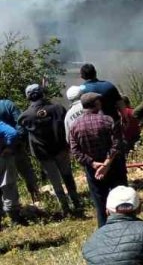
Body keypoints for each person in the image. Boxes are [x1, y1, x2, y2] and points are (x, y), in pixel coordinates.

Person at [19, 83, 83, 217]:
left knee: (55, 181)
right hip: (60, 149)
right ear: (42, 93)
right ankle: (77, 203)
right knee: (68, 176)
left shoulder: (25, 117)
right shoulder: (58, 108)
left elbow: (22, 135)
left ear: (28, 97)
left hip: (43, 154)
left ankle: (65, 208)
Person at [68, 92, 128, 226]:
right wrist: (107, 163)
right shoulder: (108, 120)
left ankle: (104, 229)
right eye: (99, 102)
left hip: (93, 170)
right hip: (114, 166)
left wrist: (92, 163)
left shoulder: (75, 126)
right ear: (95, 104)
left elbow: (75, 151)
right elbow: (117, 144)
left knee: (100, 202)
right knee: (121, 198)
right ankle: (125, 225)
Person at [0, 94, 41, 203]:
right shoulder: (7, 104)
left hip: (2, 151)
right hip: (15, 146)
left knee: (5, 178)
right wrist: (19, 141)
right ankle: (36, 198)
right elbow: (20, 123)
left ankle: (10, 206)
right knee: (26, 171)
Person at [0, 117, 25, 228]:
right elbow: (12, 133)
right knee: (8, 186)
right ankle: (15, 218)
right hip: (2, 157)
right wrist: (9, 147)